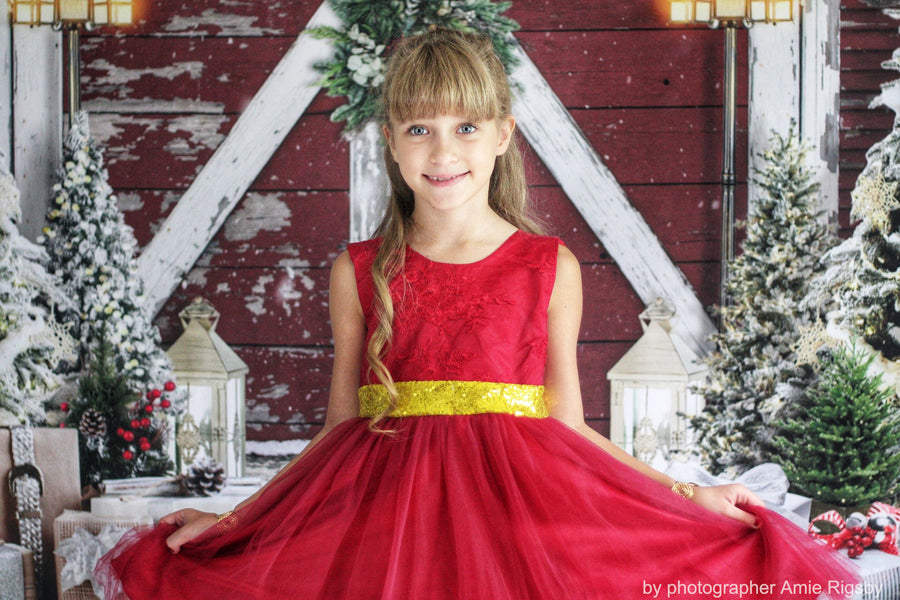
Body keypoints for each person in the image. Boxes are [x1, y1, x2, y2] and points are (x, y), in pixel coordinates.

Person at [95, 28, 857, 600]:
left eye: (464, 127)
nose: (441, 148)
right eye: (419, 127)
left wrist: (689, 494)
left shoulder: (546, 265)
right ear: (390, 141)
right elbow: (335, 431)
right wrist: (236, 522)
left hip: (518, 521)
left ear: (501, 136)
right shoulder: (358, 271)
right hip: (383, 526)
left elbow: (566, 422)